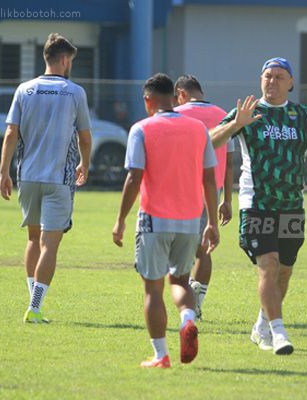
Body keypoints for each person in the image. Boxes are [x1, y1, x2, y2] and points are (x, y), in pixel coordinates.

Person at [209, 57, 307, 355]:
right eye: (267, 76)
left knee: (284, 271)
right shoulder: (249, 112)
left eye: (279, 77)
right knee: (267, 264)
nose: (272, 81)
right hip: (257, 203)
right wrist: (233, 125)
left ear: (291, 83)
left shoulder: (303, 116)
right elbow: (208, 141)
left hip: (292, 204)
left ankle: (262, 324)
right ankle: (279, 333)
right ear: (260, 80)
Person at [111, 73, 219, 368]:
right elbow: (210, 178)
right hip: (189, 220)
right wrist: (210, 222)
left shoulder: (141, 129)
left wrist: (120, 219)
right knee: (181, 280)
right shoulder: (198, 129)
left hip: (154, 220)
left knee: (152, 289)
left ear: (147, 100)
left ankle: (161, 355)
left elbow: (134, 177)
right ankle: (187, 319)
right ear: (174, 97)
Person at [0, 33, 92, 323]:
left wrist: (3, 172)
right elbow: (85, 138)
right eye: (71, 61)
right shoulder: (75, 92)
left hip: (27, 177)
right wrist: (85, 165)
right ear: (64, 60)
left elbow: (11, 133)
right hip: (58, 179)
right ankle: (36, 307)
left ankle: (32, 302)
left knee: (32, 238)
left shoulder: (24, 90)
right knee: (50, 244)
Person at [174, 75, 236, 319]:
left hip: (183, 187)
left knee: (182, 247)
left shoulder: (177, 114)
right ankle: (197, 301)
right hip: (214, 188)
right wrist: (227, 199)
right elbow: (230, 163)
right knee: (205, 249)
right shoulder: (223, 115)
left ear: (181, 93)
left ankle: (188, 301)